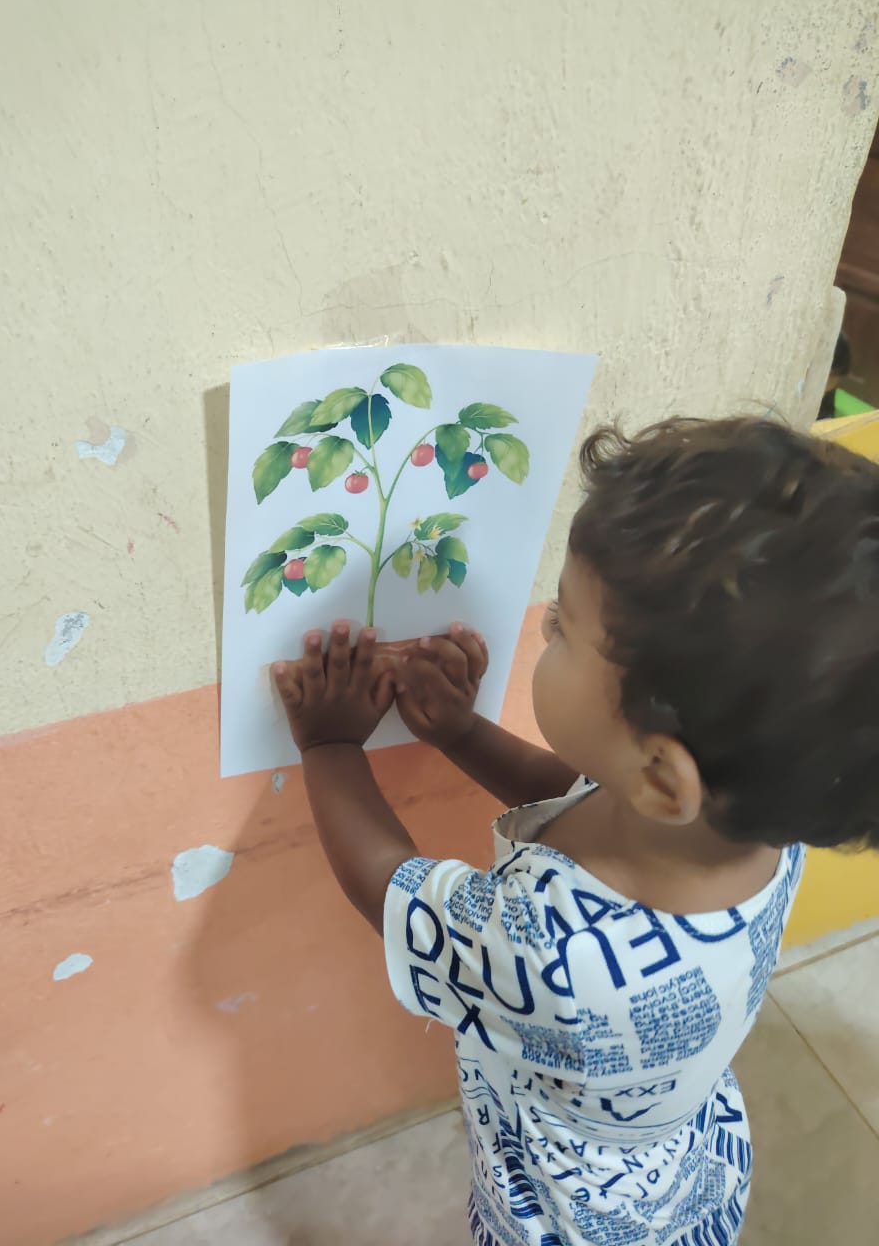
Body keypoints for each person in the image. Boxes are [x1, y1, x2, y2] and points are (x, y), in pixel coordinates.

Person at [271, 416, 879, 1246]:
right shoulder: (761, 830)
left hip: (573, 1220)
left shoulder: (555, 957)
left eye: (562, 627)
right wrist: (461, 734)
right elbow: (583, 799)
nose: (543, 629)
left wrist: (329, 745)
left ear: (662, 774)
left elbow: (391, 890)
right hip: (686, 1168)